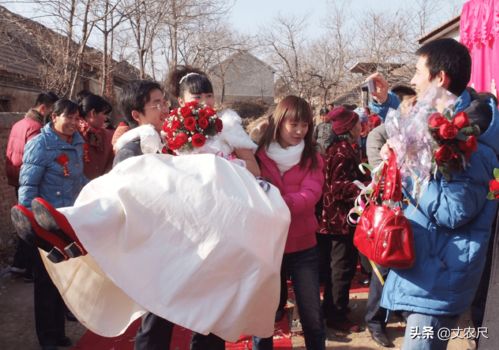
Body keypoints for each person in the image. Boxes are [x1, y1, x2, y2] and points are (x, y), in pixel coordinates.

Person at [11, 79, 290, 346]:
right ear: (137, 113)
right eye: (157, 104)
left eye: (164, 102)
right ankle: (70, 230)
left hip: (187, 242)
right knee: (158, 319)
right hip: (158, 246)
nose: (165, 108)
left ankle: (73, 231)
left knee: (204, 314)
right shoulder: (132, 144)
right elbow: (128, 194)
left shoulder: (180, 136)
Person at [369, 38, 499, 349]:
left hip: (439, 273)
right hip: (428, 265)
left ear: (440, 78)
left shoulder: (470, 142)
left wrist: (406, 172)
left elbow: (454, 211)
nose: (413, 80)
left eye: (418, 72)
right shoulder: (431, 123)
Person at [11, 99, 86, 350]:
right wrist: (30, 225)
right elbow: (28, 188)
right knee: (45, 282)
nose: (75, 123)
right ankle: (48, 338)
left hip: (68, 222)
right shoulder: (39, 145)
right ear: (54, 117)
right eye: (69, 117)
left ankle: (59, 332)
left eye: (78, 118)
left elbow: (79, 179)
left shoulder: (76, 143)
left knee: (63, 280)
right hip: (44, 224)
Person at [254, 95, 326, 350]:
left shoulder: (313, 158)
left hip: (303, 245)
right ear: (279, 122)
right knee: (263, 315)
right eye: (293, 124)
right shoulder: (258, 156)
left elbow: (310, 195)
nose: (299, 131)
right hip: (267, 246)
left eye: (304, 125)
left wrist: (273, 201)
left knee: (311, 313)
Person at [363, 84, 415, 348]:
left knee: (408, 263)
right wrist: (387, 165)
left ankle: (402, 309)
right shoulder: (379, 135)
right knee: (382, 266)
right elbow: (376, 171)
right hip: (388, 209)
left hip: (414, 211)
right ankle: (374, 320)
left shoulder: (422, 136)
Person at [318, 106, 369, 333]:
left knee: (338, 267)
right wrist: (364, 188)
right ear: (349, 128)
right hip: (337, 221)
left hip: (337, 219)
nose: (361, 127)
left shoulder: (345, 149)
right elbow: (336, 187)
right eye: (357, 123)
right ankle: (336, 315)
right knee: (341, 268)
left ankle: (335, 307)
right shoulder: (341, 151)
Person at [166, 65, 260, 176]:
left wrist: (221, 164)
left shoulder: (228, 124)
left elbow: (254, 169)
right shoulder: (175, 129)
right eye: (197, 97)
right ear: (181, 101)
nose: (205, 101)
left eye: (209, 96)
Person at [5, 91, 59, 279]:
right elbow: (35, 160)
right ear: (44, 108)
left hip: (16, 178)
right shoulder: (36, 128)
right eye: (52, 111)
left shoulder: (18, 124)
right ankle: (27, 268)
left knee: (24, 222)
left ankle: (20, 266)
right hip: (30, 181)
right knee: (33, 224)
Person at [78, 93, 115, 179]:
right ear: (93, 113)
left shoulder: (106, 135)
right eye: (104, 114)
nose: (106, 118)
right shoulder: (74, 134)